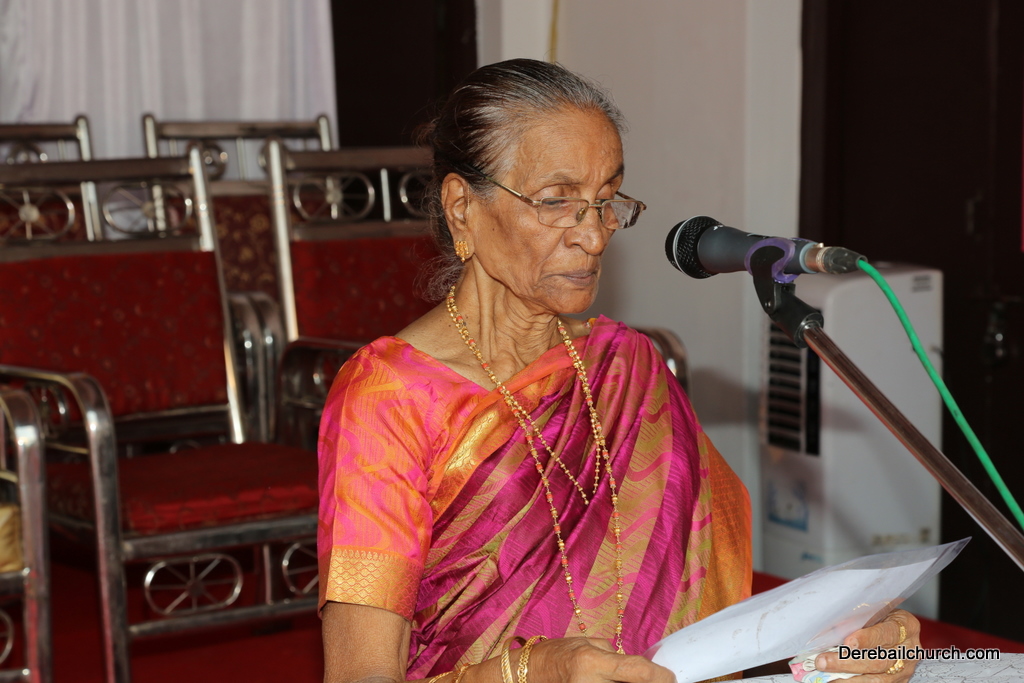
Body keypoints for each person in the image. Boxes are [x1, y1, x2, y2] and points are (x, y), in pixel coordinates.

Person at [317, 58, 921, 683]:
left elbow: (714, 616)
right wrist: (530, 674)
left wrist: (856, 640)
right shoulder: (389, 398)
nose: (594, 235)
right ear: (462, 207)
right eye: (557, 201)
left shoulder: (627, 365)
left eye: (605, 201)